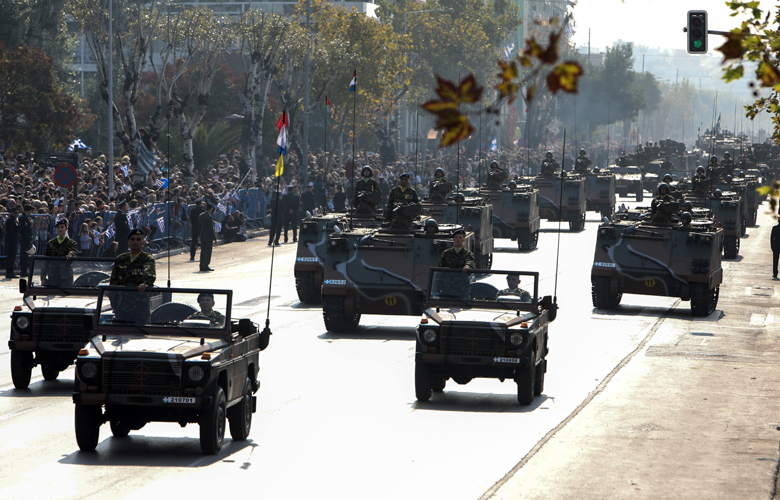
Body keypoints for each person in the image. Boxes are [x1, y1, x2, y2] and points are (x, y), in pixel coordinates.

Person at [109, 228, 156, 324]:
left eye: (139, 239)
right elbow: (113, 283)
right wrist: (114, 305)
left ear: (143, 242)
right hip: (122, 307)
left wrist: (145, 283)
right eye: (133, 239)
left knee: (141, 335)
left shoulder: (147, 259)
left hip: (140, 307)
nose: (135, 242)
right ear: (128, 242)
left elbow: (149, 273)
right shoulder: (120, 259)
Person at [436, 228, 475, 299]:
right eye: (456, 237)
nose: (458, 239)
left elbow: (470, 261)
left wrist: (467, 266)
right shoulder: (446, 253)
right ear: (453, 239)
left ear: (464, 239)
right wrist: (436, 289)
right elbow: (440, 271)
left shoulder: (467, 254)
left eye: (460, 237)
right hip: (447, 289)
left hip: (462, 289)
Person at [41, 218, 78, 287]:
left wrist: (70, 255)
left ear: (66, 228)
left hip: (66, 276)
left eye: (62, 227)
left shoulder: (71, 243)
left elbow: (73, 251)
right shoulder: (51, 243)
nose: (60, 229)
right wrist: (43, 277)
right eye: (58, 227)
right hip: (53, 275)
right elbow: (46, 261)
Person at [198, 202, 216, 272]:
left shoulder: (201, 215)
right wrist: (214, 237)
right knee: (208, 252)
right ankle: (205, 265)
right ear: (211, 209)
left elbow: (199, 226)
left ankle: (201, 265)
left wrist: (200, 233)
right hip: (208, 236)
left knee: (203, 251)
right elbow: (210, 228)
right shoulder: (209, 217)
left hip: (202, 235)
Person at [5, 206, 20, 278]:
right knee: (11, 257)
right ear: (11, 212)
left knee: (12, 257)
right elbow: (16, 228)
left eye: (17, 212)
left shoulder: (14, 219)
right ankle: (9, 272)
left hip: (13, 240)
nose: (16, 214)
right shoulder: (11, 220)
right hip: (11, 240)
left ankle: (10, 272)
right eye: (15, 212)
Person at [18, 204, 33, 277]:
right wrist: (29, 226)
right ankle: (23, 271)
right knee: (23, 255)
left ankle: (24, 270)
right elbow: (23, 228)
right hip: (24, 238)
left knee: (26, 255)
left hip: (27, 238)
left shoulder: (26, 217)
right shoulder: (22, 218)